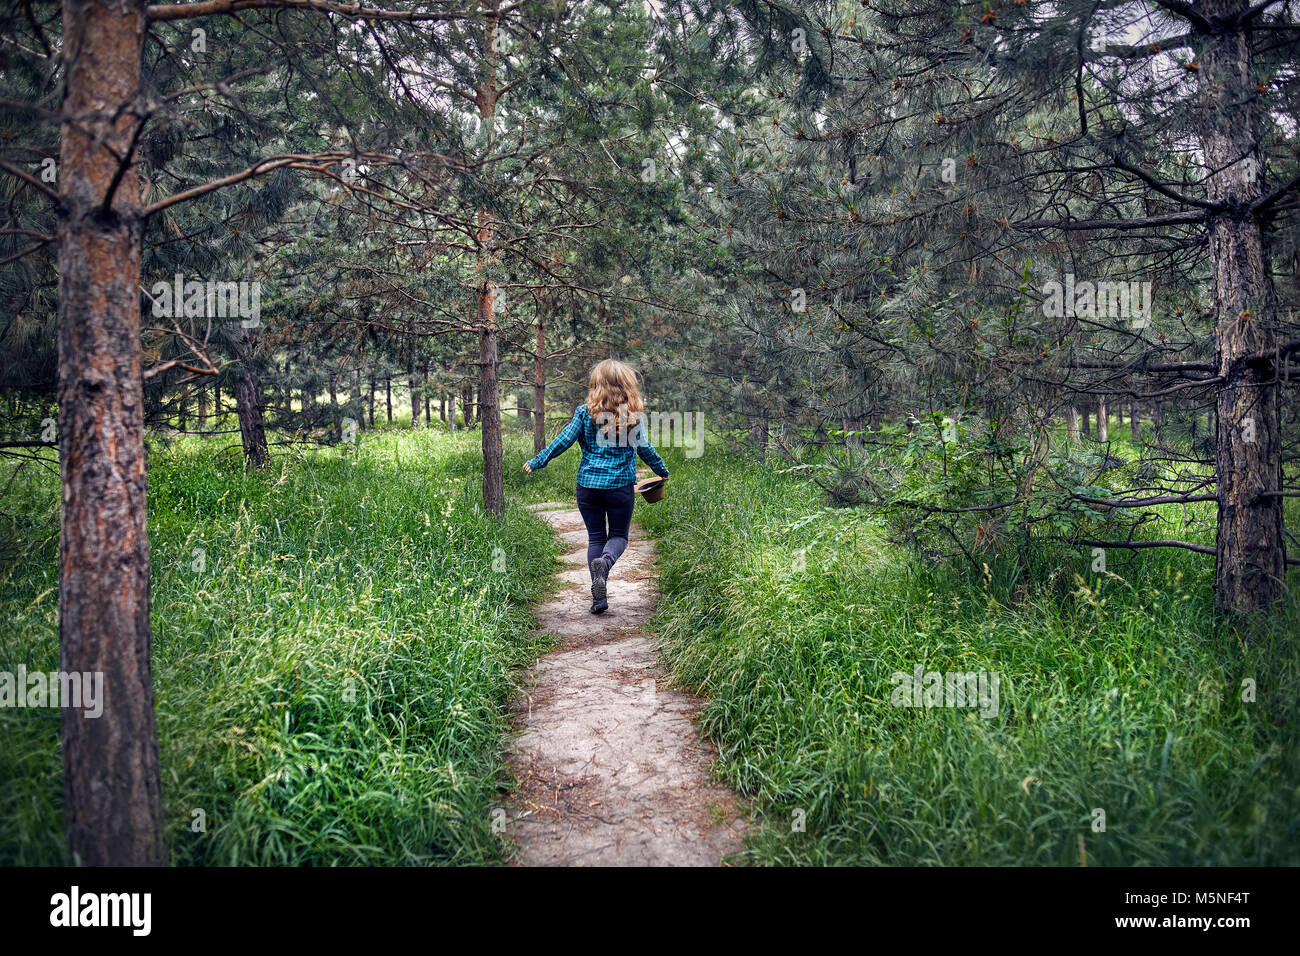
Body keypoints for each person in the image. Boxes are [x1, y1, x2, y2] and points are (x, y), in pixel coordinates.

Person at [522, 359, 670, 614]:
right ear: (626, 386)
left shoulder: (584, 412)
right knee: (618, 536)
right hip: (619, 487)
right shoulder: (631, 417)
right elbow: (645, 449)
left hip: (588, 486)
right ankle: (607, 563)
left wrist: (537, 461)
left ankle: (598, 598)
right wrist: (661, 471)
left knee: (596, 538)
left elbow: (563, 441)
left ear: (597, 385)